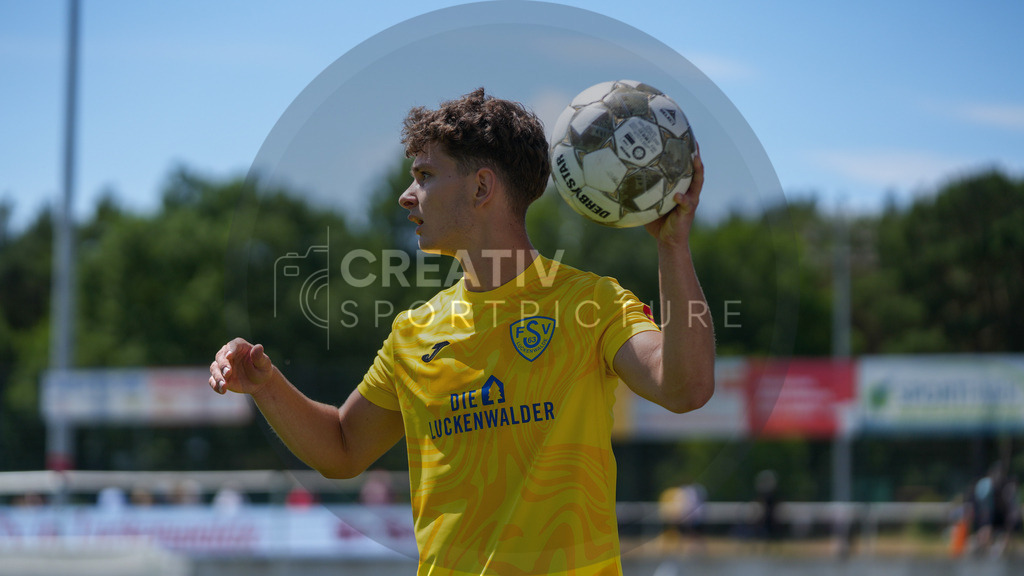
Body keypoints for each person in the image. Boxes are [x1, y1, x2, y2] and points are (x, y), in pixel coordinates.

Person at [209, 88, 715, 575]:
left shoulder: (591, 303)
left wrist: (673, 247)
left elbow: (685, 387)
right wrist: (265, 384)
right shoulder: (413, 332)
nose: (407, 196)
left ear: (481, 188)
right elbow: (341, 449)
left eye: (425, 175)